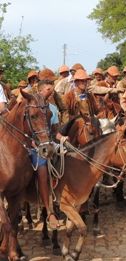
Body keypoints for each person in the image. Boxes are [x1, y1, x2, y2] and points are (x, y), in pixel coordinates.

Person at [30, 68, 67, 230]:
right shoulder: (29, 102)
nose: (51, 90)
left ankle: (65, 198)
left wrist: (63, 138)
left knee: (68, 158)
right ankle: (49, 209)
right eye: (48, 87)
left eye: (52, 86)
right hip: (33, 145)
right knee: (43, 166)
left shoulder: (52, 108)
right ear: (40, 88)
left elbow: (54, 131)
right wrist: (33, 142)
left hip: (49, 142)